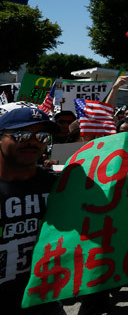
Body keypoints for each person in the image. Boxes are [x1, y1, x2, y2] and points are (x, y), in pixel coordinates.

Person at [0, 107, 63, 315]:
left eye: (42, 136)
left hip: (44, 301)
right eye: (21, 135)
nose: (33, 141)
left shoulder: (59, 186)